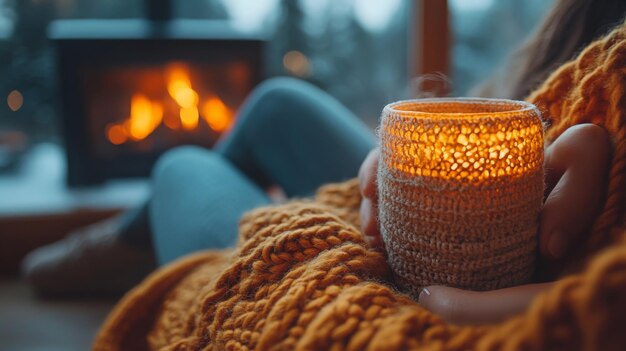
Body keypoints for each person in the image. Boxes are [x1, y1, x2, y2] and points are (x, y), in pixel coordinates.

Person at [22, 0, 625, 324]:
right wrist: (398, 171)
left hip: (491, 303)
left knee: (183, 166)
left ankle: (130, 243)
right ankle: (127, 242)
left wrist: (599, 312)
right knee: (277, 104)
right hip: (451, 230)